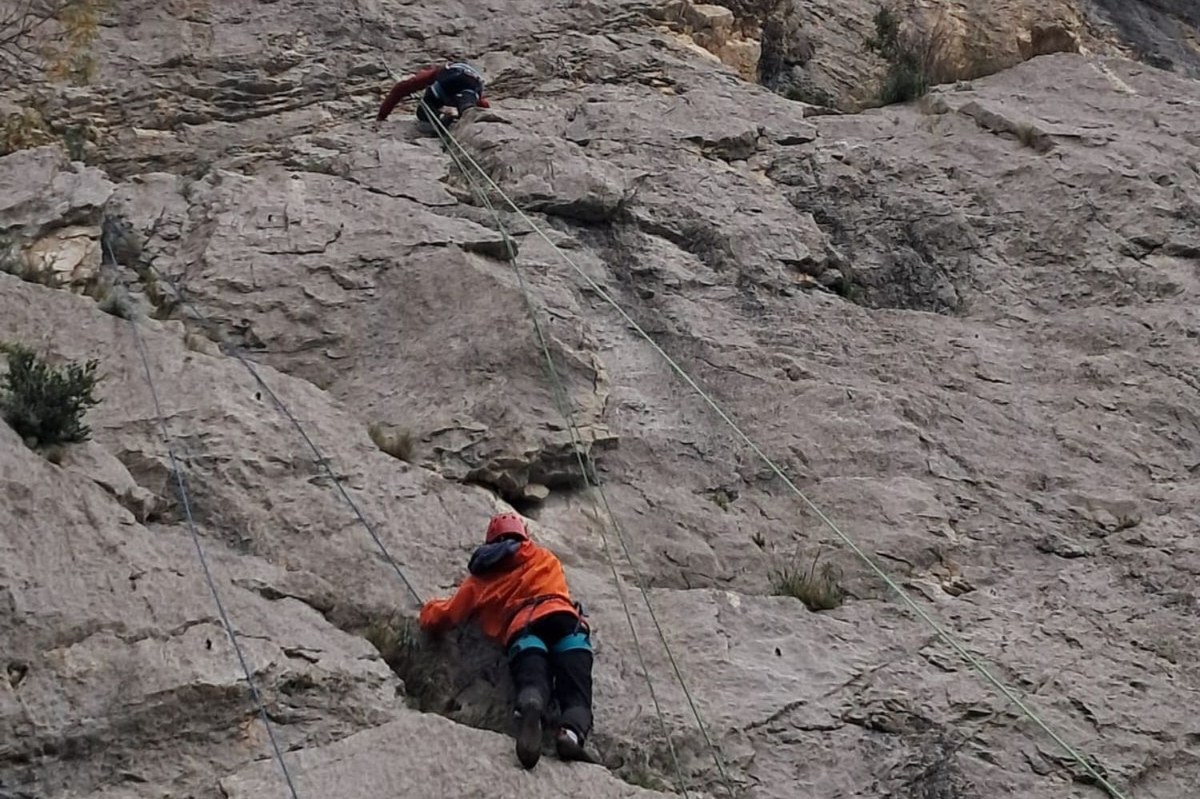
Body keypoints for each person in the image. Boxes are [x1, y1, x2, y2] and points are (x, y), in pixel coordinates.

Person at [418, 512, 594, 769]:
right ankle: (570, 734)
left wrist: (427, 610)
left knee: (533, 679)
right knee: (577, 692)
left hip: (524, 628)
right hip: (565, 622)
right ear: (523, 535)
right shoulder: (544, 557)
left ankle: (532, 705)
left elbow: (446, 615)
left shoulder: (481, 577)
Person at [376, 61, 491, 128]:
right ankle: (465, 109)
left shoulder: (436, 73)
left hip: (446, 86)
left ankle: (440, 117)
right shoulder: (468, 76)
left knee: (424, 110)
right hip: (471, 86)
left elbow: (400, 88)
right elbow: (483, 103)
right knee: (467, 103)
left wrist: (382, 115)